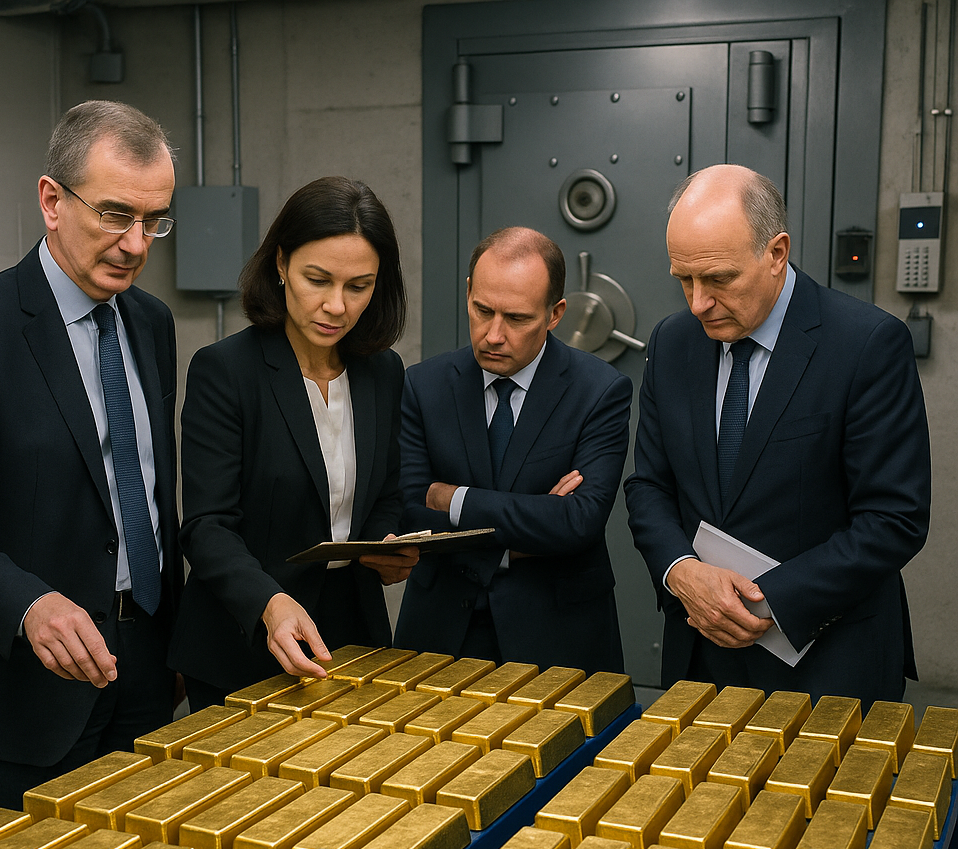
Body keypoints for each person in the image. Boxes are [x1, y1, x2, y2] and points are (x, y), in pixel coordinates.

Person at [0, 100, 182, 811]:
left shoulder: (151, 323)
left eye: (154, 220)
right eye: (114, 214)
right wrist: (30, 604)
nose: (136, 244)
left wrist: (170, 641)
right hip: (27, 680)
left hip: (143, 664)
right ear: (51, 200)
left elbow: (148, 495)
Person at [624, 164, 931, 706]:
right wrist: (681, 573)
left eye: (718, 279)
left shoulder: (867, 345)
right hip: (701, 656)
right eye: (684, 280)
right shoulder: (672, 343)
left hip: (830, 662)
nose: (698, 302)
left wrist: (769, 600)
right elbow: (648, 485)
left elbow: (894, 518)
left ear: (776, 253)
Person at [169, 176, 418, 711]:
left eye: (359, 286)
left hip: (353, 640)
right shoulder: (225, 371)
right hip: (242, 644)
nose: (336, 306)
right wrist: (269, 602)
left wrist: (386, 545)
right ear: (281, 265)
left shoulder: (383, 372)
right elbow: (207, 526)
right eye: (317, 279)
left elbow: (385, 495)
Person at [394, 227, 632, 674]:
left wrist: (454, 498)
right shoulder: (423, 385)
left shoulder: (600, 391)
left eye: (518, 318)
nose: (493, 335)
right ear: (468, 292)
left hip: (559, 639)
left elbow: (578, 522)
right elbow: (410, 513)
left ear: (555, 313)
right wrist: (533, 521)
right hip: (440, 633)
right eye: (482, 310)